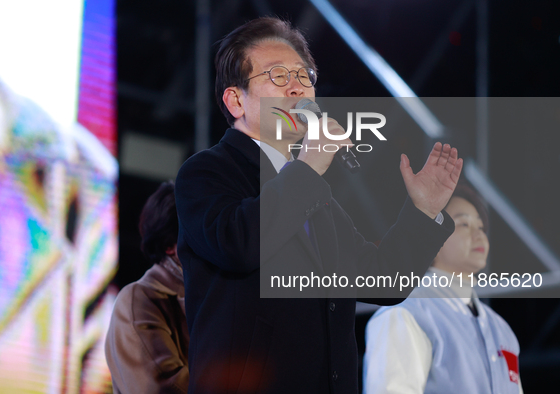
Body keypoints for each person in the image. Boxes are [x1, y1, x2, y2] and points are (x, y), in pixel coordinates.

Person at [175, 17, 463, 393]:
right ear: (235, 100)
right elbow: (238, 244)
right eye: (278, 76)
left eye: (304, 74)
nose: (297, 87)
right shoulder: (208, 172)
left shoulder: (315, 196)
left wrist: (423, 211)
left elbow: (385, 280)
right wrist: (308, 168)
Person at [363, 184, 523, 394]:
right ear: (431, 237)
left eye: (481, 227)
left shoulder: (501, 329)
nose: (478, 234)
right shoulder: (405, 313)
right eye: (464, 224)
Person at [105, 182, 189, 394]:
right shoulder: (138, 300)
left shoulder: (216, 298)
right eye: (198, 229)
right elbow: (164, 388)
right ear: (169, 245)